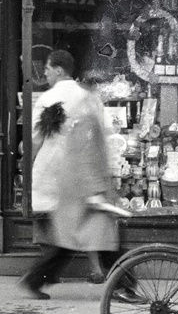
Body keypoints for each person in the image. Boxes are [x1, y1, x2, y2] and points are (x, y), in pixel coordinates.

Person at [19, 49, 128, 299]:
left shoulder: (48, 98)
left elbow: (35, 138)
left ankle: (36, 280)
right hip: (83, 176)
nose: (44, 72)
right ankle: (123, 284)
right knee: (89, 233)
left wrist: (27, 163)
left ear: (59, 70)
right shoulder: (88, 99)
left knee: (69, 235)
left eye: (47, 68)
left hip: (60, 173)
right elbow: (103, 135)